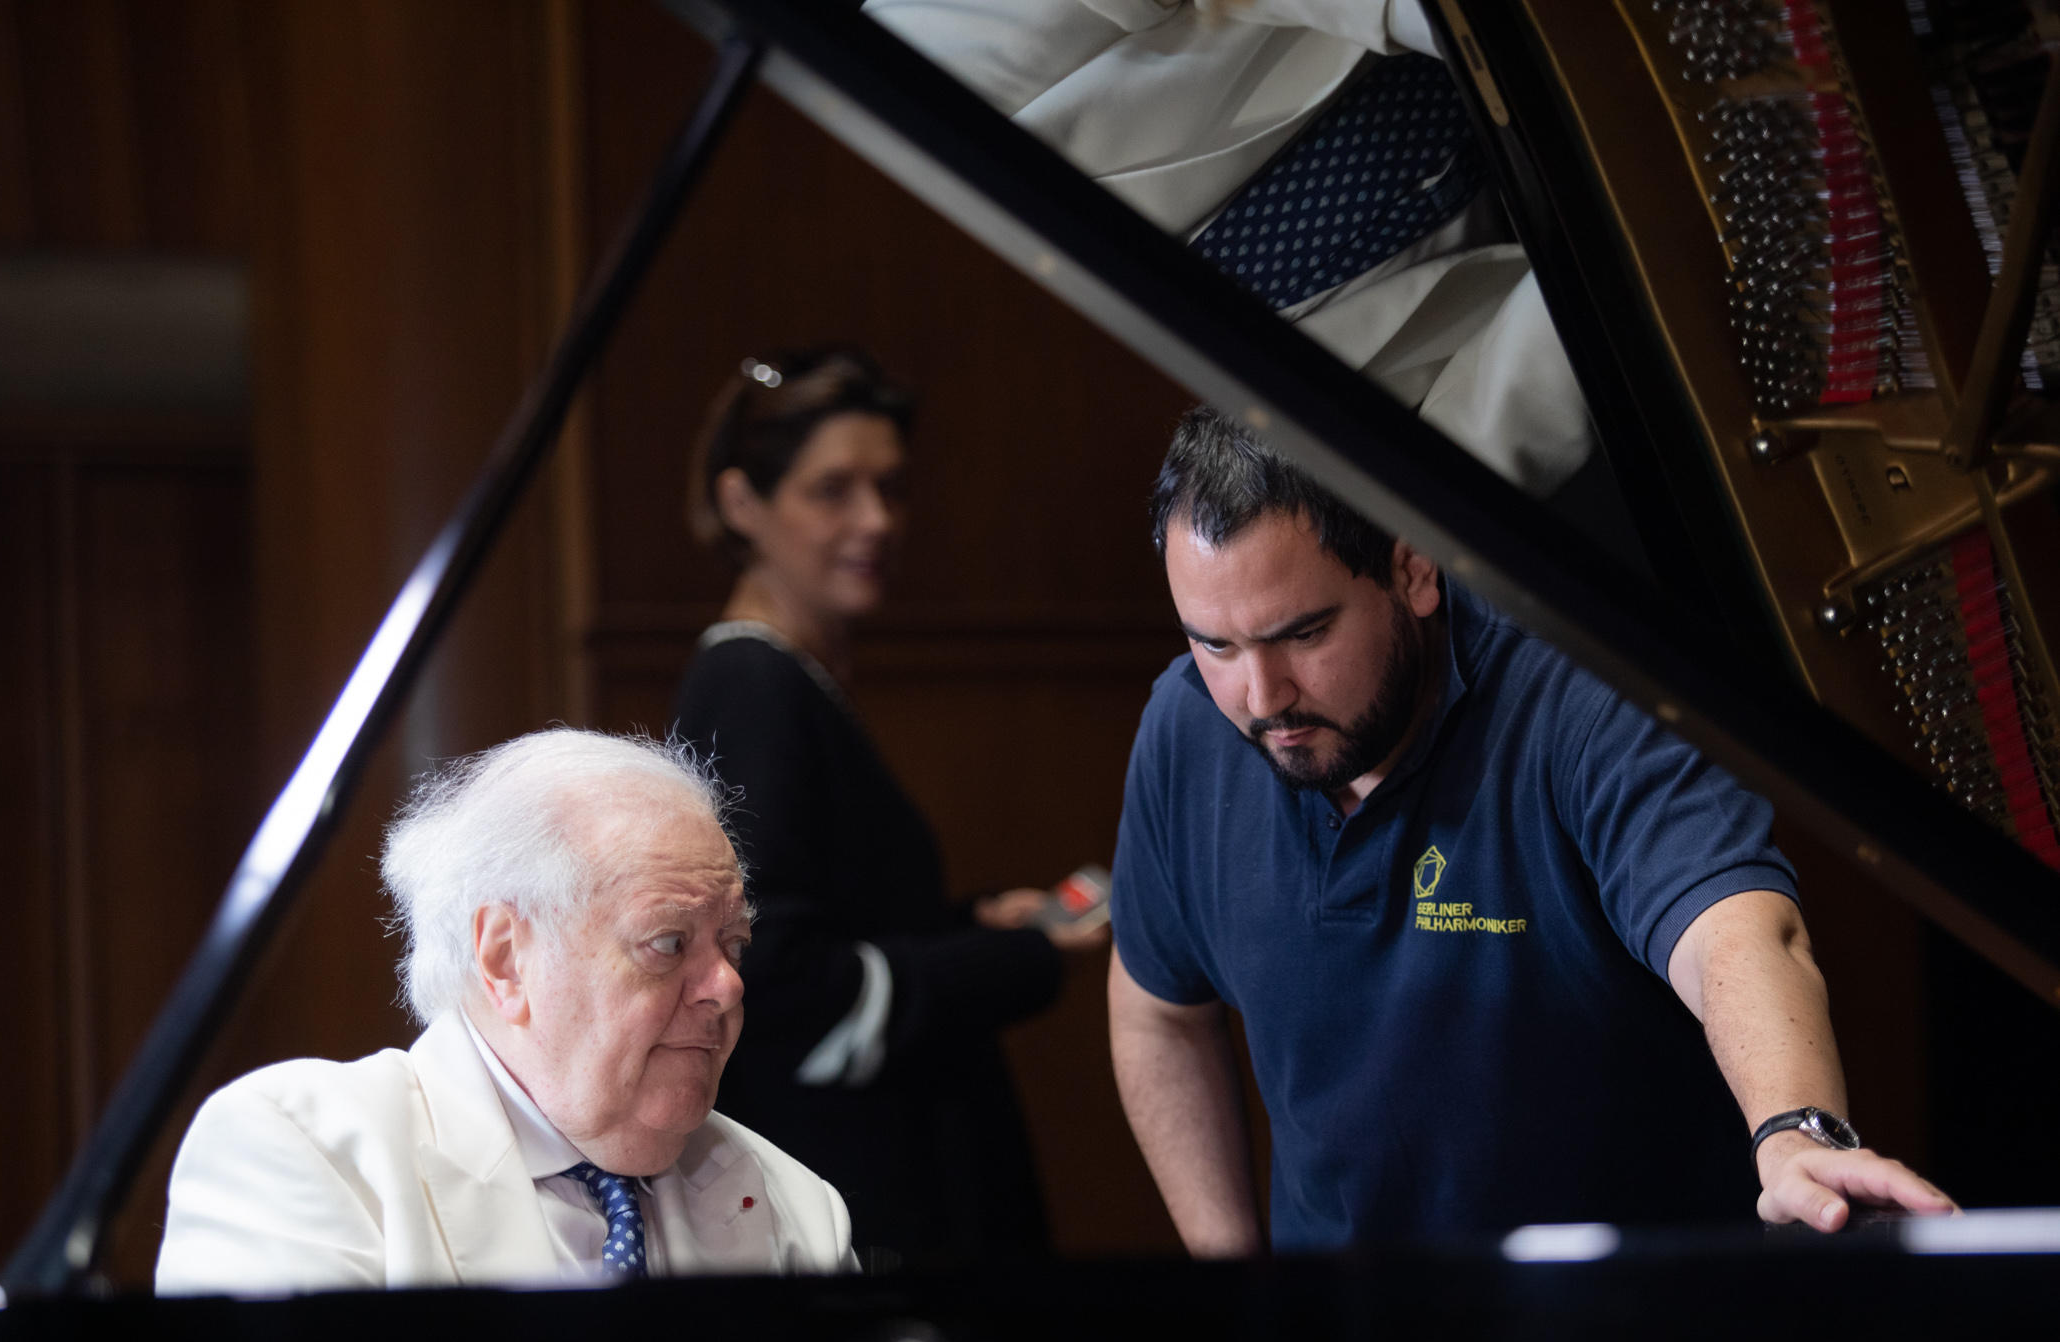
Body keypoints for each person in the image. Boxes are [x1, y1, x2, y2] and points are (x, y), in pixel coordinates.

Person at [1107, 406, 1955, 1254]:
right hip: (1352, 1339)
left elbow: (1737, 932)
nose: (1261, 698)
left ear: (1413, 569)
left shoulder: (1590, 692)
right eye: (1214, 644)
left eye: (1304, 633)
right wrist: (1234, 1284)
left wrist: (1796, 1131)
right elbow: (1159, 1013)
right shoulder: (1187, 728)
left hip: (1637, 1322)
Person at [670, 347, 1105, 1271]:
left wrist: (967, 924)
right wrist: (1021, 957)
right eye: (834, 490)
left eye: (891, 488)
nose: (876, 520)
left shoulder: (790, 680)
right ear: (744, 503)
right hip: (865, 1213)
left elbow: (839, 921)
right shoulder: (753, 685)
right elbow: (785, 988)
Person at [154, 728, 855, 1294]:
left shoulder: (796, 1206)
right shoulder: (305, 1151)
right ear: (504, 959)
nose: (726, 986)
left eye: (733, 944)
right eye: (668, 943)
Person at [867, 0, 1592, 498]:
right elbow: (1490, 437)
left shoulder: (917, 71)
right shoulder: (1185, 466)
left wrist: (1494, 35)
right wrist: (1613, 242)